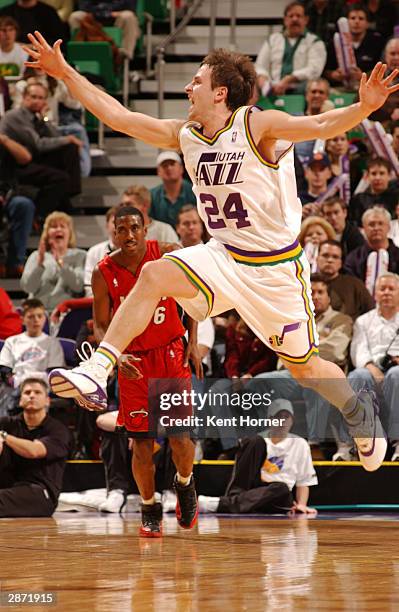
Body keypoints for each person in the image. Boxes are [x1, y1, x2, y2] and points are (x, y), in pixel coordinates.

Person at [28, 35, 399, 472]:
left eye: (196, 81)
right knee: (153, 275)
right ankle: (97, 369)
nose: (189, 88)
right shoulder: (186, 136)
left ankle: (358, 410)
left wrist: (363, 109)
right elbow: (121, 116)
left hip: (274, 271)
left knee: (305, 368)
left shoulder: (255, 125)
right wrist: (65, 71)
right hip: (223, 256)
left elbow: (318, 126)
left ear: (220, 92)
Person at [90, 205, 202, 537]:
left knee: (180, 437)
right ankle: (149, 506)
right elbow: (99, 324)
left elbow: (193, 297)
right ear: (113, 232)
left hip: (170, 354)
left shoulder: (166, 255)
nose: (127, 235)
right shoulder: (103, 271)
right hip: (134, 363)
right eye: (120, 229)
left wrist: (192, 341)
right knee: (141, 443)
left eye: (133, 228)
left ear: (146, 228)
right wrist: (114, 353)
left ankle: (185, 484)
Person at [254, 275, 353, 459]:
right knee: (259, 382)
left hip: (324, 374)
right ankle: (264, 441)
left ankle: (314, 444)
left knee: (315, 379)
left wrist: (299, 349)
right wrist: (313, 347)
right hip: (290, 374)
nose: (315, 296)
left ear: (329, 297)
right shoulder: (295, 319)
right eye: (311, 292)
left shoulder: (342, 320)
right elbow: (280, 350)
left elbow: (334, 352)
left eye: (320, 292)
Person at [199, 399, 318, 515]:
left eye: (287, 417)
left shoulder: (300, 443)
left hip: (277, 495)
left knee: (281, 488)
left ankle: (218, 504)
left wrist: (302, 504)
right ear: (270, 419)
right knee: (254, 441)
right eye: (278, 416)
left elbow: (304, 480)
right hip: (252, 489)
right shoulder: (258, 440)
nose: (283, 421)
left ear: (292, 420)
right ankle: (235, 500)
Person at [0, 82, 82, 217]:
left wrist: (44, 119)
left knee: (70, 148)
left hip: (32, 159)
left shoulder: (36, 116)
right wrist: (67, 139)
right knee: (61, 178)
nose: (37, 101)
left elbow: (55, 136)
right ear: (24, 97)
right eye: (34, 97)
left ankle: (68, 194)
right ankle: (39, 214)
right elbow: (38, 144)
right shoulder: (14, 116)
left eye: (41, 98)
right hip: (15, 166)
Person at [0, 376, 70, 517]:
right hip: (9, 486)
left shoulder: (57, 429)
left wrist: (5, 437)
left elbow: (34, 451)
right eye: (27, 393)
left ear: (47, 401)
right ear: (20, 400)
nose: (31, 396)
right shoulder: (7, 423)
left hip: (40, 492)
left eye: (37, 392)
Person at [349, 273, 399, 461]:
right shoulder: (364, 321)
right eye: (382, 289)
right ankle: (362, 442)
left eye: (391, 289)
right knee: (357, 376)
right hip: (372, 368)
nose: (386, 293)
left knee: (396, 374)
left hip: (396, 371)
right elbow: (358, 350)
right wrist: (371, 368)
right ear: (375, 293)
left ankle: (398, 442)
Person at [255, 1, 327, 98]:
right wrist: (264, 83)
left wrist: (289, 79)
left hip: (302, 92)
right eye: (291, 16)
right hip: (273, 90)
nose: (294, 19)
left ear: (306, 19)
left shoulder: (315, 42)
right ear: (285, 19)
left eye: (298, 16)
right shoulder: (273, 39)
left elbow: (314, 70)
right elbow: (260, 66)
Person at [21, 211, 86, 312]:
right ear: (47, 233)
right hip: (40, 314)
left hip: (67, 312)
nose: (58, 229)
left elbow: (78, 286)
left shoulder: (80, 256)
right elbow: (28, 288)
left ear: (70, 232)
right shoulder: (36, 256)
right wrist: (40, 265)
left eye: (62, 226)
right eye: (54, 226)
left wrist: (61, 263)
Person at [0, 297, 64, 389]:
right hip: (16, 388)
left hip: (43, 389)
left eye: (39, 316)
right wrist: (14, 383)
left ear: (45, 319)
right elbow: (4, 369)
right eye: (31, 317)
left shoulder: (53, 343)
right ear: (22, 319)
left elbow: (54, 373)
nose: (36, 320)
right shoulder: (11, 341)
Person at [324, 4, 385, 90]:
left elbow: (382, 70)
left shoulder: (377, 42)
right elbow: (324, 70)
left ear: (367, 23)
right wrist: (333, 75)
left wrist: (363, 76)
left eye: (361, 18)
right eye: (353, 18)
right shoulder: (335, 42)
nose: (357, 22)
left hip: (368, 87)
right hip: (338, 87)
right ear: (346, 22)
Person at [0, 131, 34, 278]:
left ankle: (15, 263)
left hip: (6, 196)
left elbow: (25, 157)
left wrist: (5, 140)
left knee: (24, 205)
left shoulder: (4, 144)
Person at [344, 207, 399, 295]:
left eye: (381, 224)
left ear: (389, 227)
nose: (376, 228)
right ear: (363, 229)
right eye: (371, 224)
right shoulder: (353, 259)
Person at [317, 240, 374, 320]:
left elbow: (371, 313)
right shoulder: (304, 283)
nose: (330, 260)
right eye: (325, 255)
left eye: (335, 257)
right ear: (317, 259)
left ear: (340, 263)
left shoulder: (355, 285)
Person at [69, 1, 140, 60]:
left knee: (128, 16)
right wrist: (106, 13)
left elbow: (129, 6)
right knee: (76, 16)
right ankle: (79, 51)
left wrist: (106, 12)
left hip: (117, 18)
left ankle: (124, 55)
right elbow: (84, 6)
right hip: (94, 18)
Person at [150, 151, 196, 227]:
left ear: (181, 168)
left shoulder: (195, 192)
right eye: (164, 165)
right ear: (158, 171)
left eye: (172, 164)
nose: (169, 168)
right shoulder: (152, 196)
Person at [349, 157, 398, 225]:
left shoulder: (397, 197)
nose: (377, 178)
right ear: (367, 176)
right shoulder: (358, 199)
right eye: (374, 173)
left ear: (389, 176)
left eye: (382, 173)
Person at [84, 205, 118, 297]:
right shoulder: (94, 252)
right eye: (114, 222)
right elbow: (89, 287)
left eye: (122, 223)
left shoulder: (137, 251)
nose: (118, 227)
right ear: (107, 225)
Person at [0, 0, 66, 46]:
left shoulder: (49, 13)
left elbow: (59, 40)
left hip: (41, 56)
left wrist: (33, 47)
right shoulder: (4, 13)